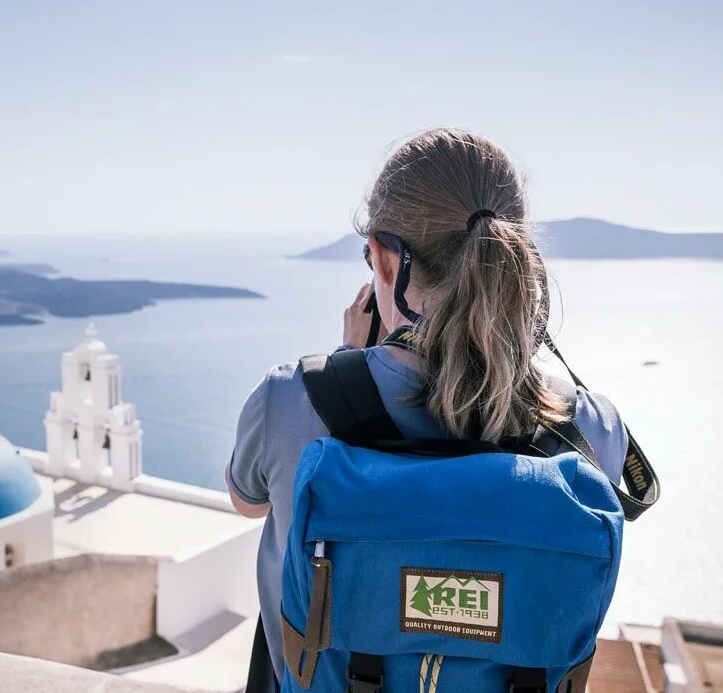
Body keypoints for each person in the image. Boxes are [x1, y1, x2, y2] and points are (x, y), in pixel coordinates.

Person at [226, 128, 629, 690]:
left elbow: (249, 504)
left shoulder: (291, 398)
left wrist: (351, 362)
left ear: (385, 263)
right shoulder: (592, 429)